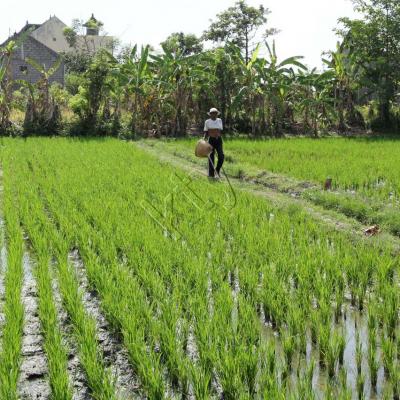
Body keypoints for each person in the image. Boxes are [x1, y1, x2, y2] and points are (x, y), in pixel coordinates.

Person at [203, 107, 224, 178]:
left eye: (216, 113)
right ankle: (211, 174)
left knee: (221, 156)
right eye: (213, 113)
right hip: (211, 140)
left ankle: (217, 170)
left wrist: (217, 135)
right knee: (211, 157)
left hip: (218, 140)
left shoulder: (219, 120)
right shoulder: (207, 122)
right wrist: (204, 140)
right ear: (210, 114)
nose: (214, 115)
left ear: (217, 114)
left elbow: (220, 130)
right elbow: (206, 132)